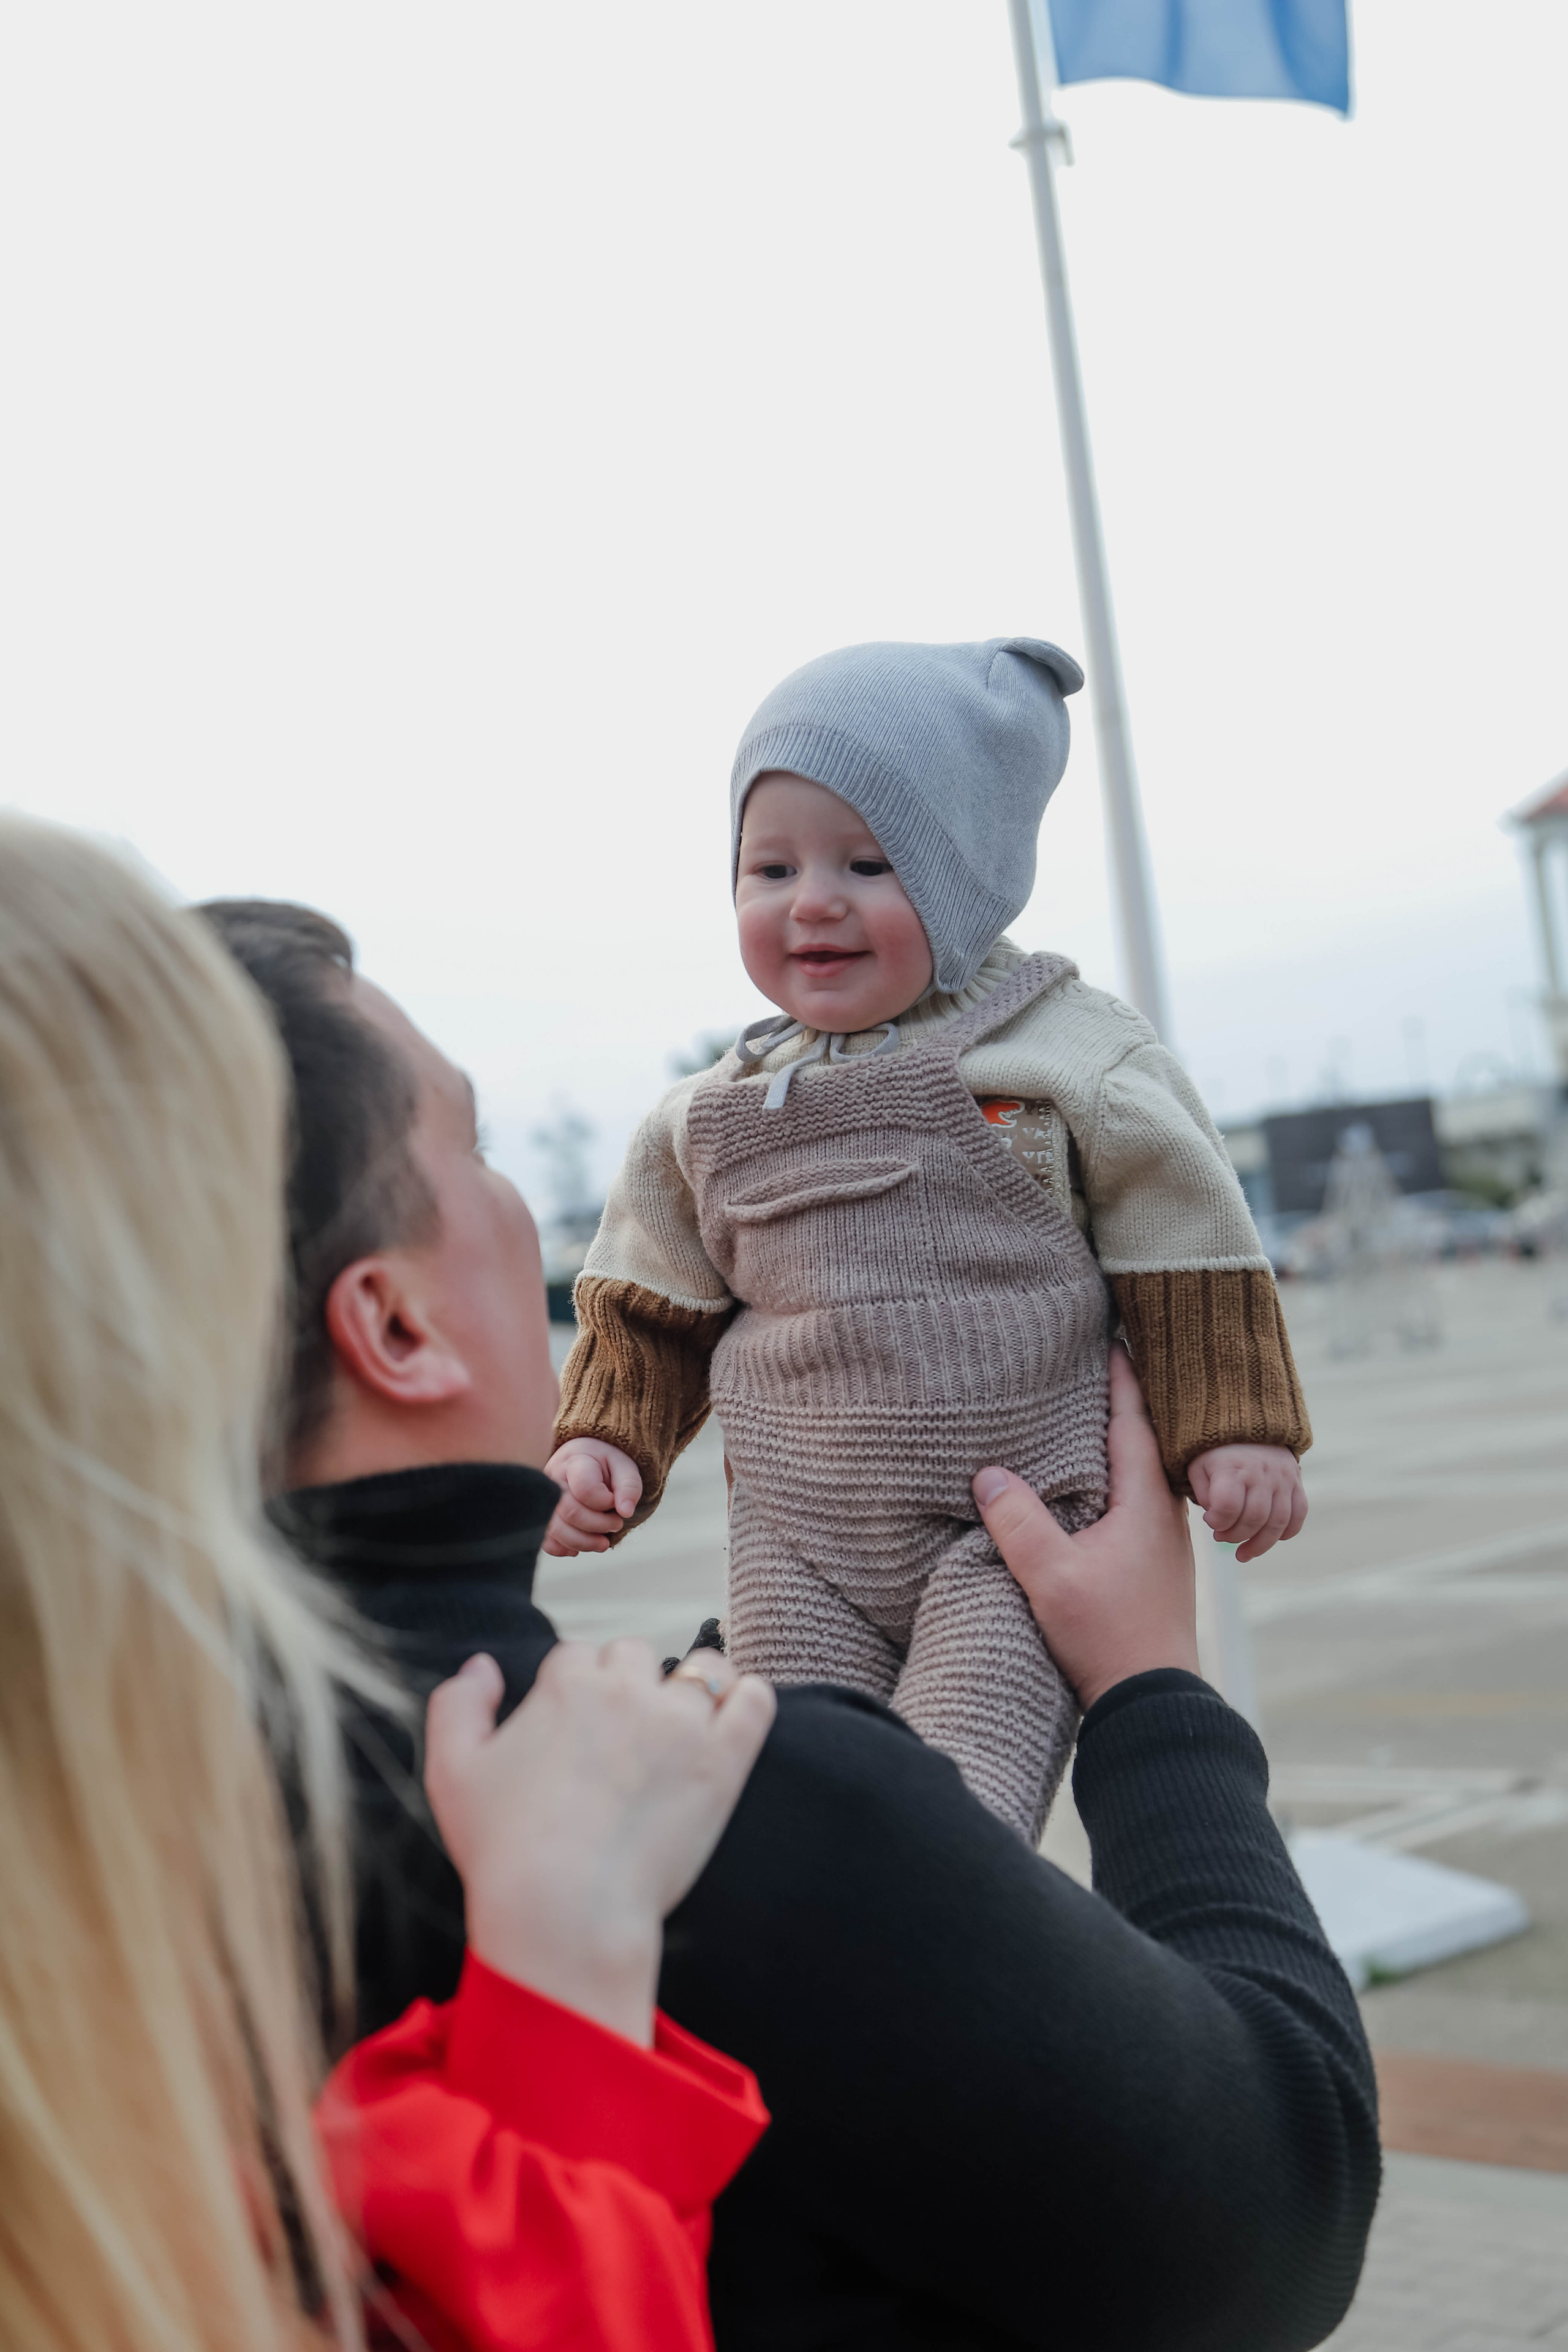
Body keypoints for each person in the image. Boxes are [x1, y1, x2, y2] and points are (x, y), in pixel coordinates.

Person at [204, 894, 1380, 2352]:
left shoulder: (110, 1807)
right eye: (478, 1152)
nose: (529, 1222)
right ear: (394, 1327)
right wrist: (1153, 1696)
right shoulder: (716, 1818)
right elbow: (1280, 2213)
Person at [0, 816, 771, 2352]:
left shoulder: (116, 1901)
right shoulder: (665, 1801)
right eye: (472, 1150)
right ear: (383, 1325)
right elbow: (1250, 2182)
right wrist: (555, 2013)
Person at [543, 636, 1311, 1839]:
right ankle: (808, 2015)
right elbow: (648, 1298)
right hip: (799, 1540)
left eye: (866, 862)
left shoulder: (1066, 1054)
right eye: (768, 866)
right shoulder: (706, 1114)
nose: (810, 900)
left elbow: (1187, 1247)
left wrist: (1234, 1425)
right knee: (784, 1800)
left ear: (967, 879)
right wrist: (606, 1442)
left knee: (953, 1822)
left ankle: (948, 1982)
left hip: (1007, 1530)